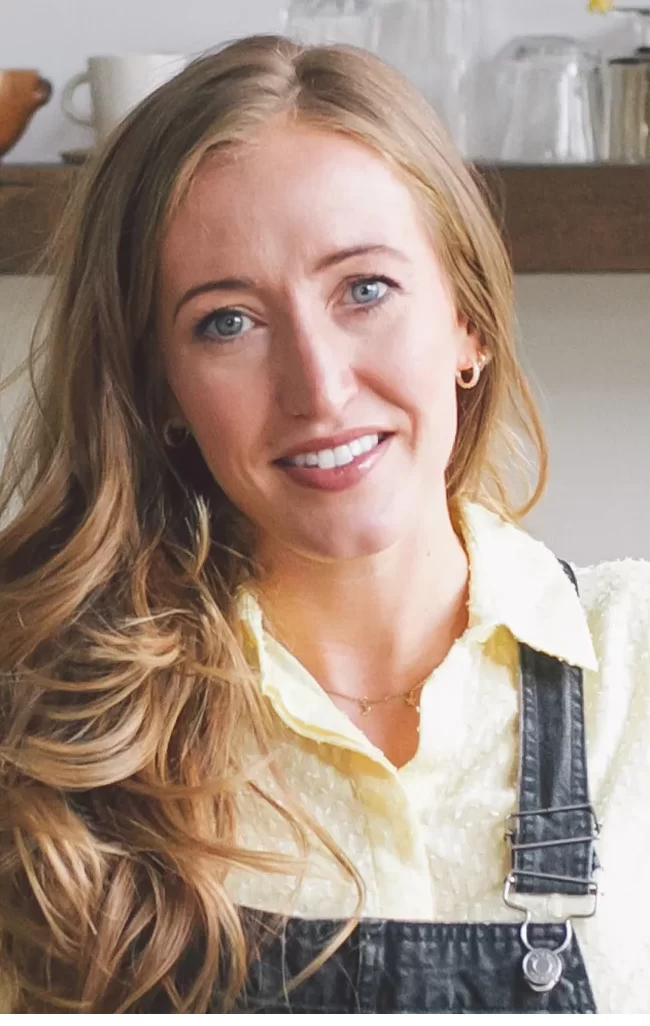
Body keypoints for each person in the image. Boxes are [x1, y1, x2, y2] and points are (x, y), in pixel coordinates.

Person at [0, 33, 648, 1016]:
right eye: (228, 321)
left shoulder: (633, 664)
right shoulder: (52, 725)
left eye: (364, 290)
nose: (319, 387)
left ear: (468, 319)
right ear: (160, 389)